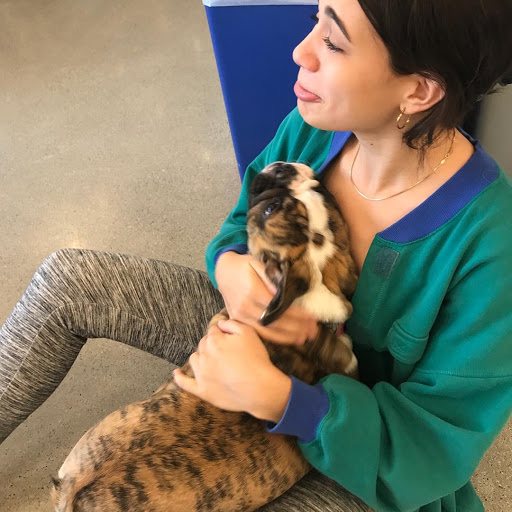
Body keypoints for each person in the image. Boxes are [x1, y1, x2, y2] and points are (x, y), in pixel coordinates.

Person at [1, 0, 511, 511]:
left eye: (332, 42)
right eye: (316, 22)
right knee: (70, 278)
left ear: (418, 90)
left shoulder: (490, 247)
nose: (301, 52)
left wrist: (280, 398)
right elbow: (239, 221)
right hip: (256, 340)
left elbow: (436, 448)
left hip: (358, 446)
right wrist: (231, 271)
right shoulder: (314, 126)